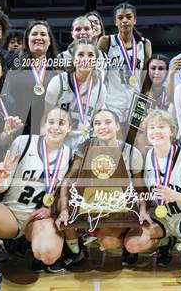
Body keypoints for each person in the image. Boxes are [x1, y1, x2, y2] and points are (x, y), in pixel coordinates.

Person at [0, 107, 72, 291]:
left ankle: (25, 245)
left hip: (37, 218)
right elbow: (2, 188)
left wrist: (52, 209)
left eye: (61, 123)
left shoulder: (68, 153)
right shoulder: (24, 142)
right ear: (43, 125)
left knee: (48, 254)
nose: (55, 127)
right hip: (9, 215)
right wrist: (0, 178)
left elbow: (62, 190)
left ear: (69, 128)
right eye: (51, 122)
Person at [123, 110, 181, 284]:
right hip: (160, 217)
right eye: (152, 128)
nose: (156, 131)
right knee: (131, 244)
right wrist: (143, 210)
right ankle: (164, 242)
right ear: (147, 134)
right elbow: (145, 195)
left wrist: (175, 195)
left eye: (162, 127)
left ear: (172, 131)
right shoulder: (145, 159)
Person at [55, 109, 143, 269]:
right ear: (93, 128)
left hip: (118, 206)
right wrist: (64, 209)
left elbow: (140, 188)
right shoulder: (85, 147)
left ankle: (126, 240)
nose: (102, 127)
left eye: (108, 122)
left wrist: (140, 211)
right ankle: (75, 250)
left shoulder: (132, 152)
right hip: (91, 201)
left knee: (107, 241)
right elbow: (68, 179)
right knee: (64, 206)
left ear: (117, 126)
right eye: (97, 123)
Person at [44, 39, 106, 151]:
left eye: (91, 55)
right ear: (73, 59)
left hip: (83, 145)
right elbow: (45, 118)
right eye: (81, 54)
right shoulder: (58, 82)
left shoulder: (101, 88)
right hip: (57, 143)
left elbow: (95, 123)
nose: (85, 59)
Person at [98, 2, 152, 128]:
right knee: (114, 143)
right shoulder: (106, 41)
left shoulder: (144, 44)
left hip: (136, 103)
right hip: (111, 103)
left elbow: (146, 79)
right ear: (115, 22)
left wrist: (144, 103)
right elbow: (97, 74)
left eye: (128, 17)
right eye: (120, 18)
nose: (124, 21)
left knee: (136, 144)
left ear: (135, 20)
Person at [5, 20, 59, 135]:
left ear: (49, 41)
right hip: (19, 133)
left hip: (49, 133)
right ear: (27, 40)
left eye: (43, 34)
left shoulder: (59, 71)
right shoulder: (13, 68)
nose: (39, 37)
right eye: (34, 34)